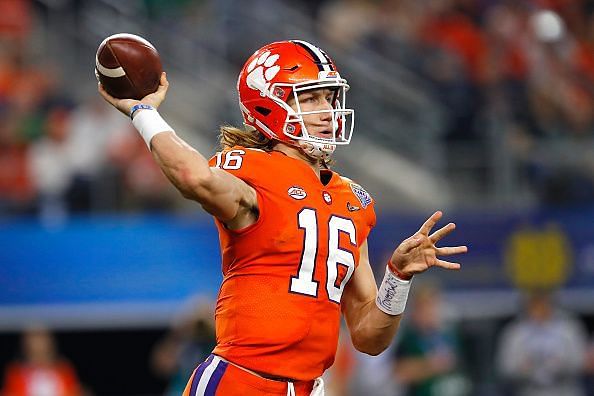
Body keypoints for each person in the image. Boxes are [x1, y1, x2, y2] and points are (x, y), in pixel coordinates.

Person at [98, 39, 467, 396]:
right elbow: (194, 177)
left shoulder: (352, 201)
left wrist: (398, 279)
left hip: (309, 388)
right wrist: (144, 112)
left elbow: (370, 337)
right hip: (241, 381)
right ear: (268, 106)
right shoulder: (253, 171)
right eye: (309, 98)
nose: (326, 109)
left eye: (328, 97)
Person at [496, 288, 588, 396]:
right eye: (535, 307)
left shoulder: (568, 329)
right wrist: (523, 369)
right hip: (530, 390)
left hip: (564, 390)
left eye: (543, 306)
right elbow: (505, 366)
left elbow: (581, 361)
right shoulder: (516, 332)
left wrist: (562, 365)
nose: (539, 311)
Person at [392, 283, 468, 396]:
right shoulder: (408, 337)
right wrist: (431, 365)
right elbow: (400, 373)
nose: (430, 312)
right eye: (424, 307)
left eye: (433, 305)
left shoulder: (449, 334)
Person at [1, 326, 83, 396]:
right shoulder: (16, 372)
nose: (38, 343)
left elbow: (73, 391)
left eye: (41, 336)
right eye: (33, 336)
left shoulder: (64, 369)